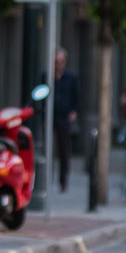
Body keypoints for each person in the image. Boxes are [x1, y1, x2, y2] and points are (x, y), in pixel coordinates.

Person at [53, 49, 79, 192]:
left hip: (64, 116)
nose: (58, 64)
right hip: (50, 116)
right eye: (56, 61)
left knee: (64, 149)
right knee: (48, 149)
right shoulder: (48, 75)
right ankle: (46, 179)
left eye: (61, 61)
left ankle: (63, 181)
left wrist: (73, 111)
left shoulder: (71, 77)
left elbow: (76, 95)